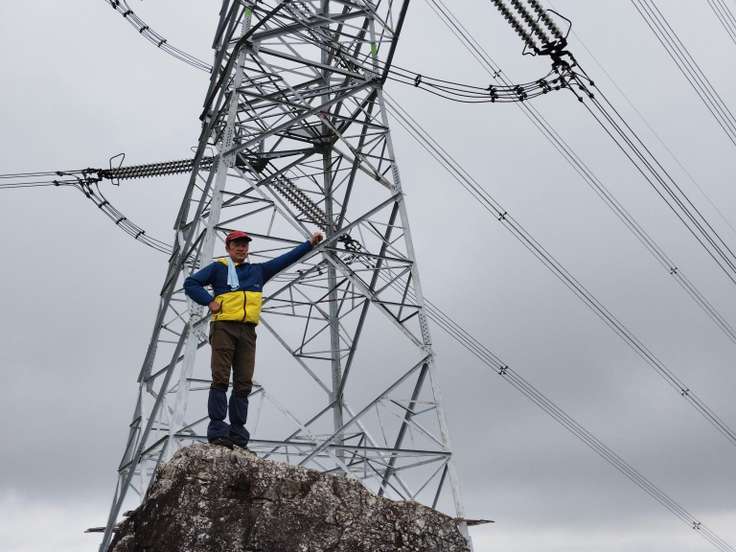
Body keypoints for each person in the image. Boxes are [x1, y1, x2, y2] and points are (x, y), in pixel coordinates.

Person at [184, 229, 324, 449]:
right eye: (237, 245)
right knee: (220, 378)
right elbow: (191, 283)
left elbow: (285, 259)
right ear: (228, 248)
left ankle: (238, 435)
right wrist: (209, 301)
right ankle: (218, 430)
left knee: (243, 382)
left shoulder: (258, 271)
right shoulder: (219, 268)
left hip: (248, 331)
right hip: (224, 328)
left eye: (245, 245)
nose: (241, 248)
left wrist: (309, 244)